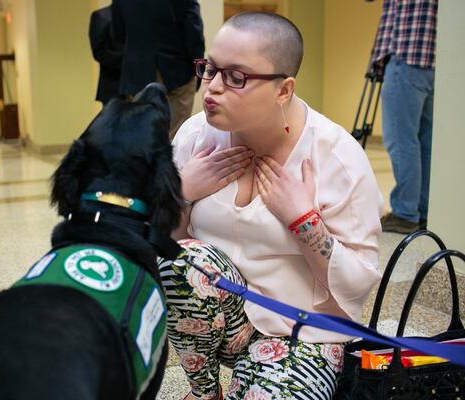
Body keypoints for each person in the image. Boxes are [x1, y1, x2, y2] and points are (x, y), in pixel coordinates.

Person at [158, 12, 383, 399]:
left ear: (284, 89)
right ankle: (204, 391)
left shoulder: (336, 156)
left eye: (236, 77)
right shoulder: (196, 135)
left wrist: (303, 220)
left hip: (304, 332)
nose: (212, 88)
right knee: (182, 261)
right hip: (223, 324)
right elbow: (164, 250)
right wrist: (181, 193)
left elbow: (356, 286)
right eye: (210, 69)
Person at [371, 0, 438, 234]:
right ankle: (422, 210)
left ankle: (405, 213)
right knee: (425, 144)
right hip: (433, 60)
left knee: (401, 141)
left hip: (406, 55)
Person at [111, 0, 205, 139]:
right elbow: (194, 37)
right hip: (177, 73)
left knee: (141, 136)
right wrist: (199, 71)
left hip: (137, 74)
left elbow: (117, 35)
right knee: (176, 137)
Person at [89, 5, 123, 106]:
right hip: (113, 86)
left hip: (138, 88)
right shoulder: (101, 16)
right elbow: (100, 52)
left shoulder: (137, 17)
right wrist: (129, 60)